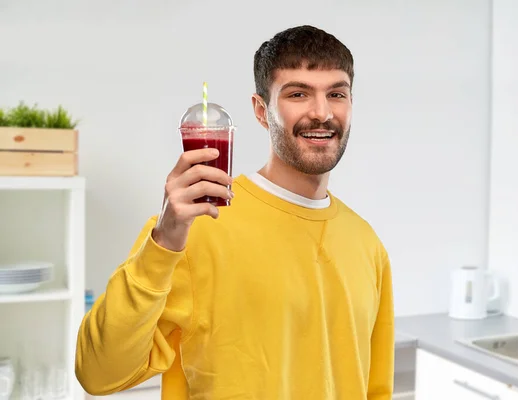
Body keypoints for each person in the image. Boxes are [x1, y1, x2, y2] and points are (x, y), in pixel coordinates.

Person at [75, 25, 395, 400]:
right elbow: (98, 374)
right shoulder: (194, 227)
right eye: (298, 93)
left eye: (336, 94)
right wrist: (163, 241)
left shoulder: (368, 245)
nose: (321, 113)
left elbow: (376, 390)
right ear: (262, 111)